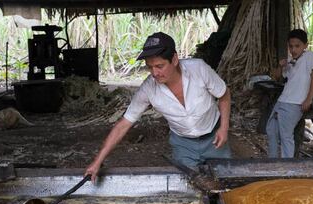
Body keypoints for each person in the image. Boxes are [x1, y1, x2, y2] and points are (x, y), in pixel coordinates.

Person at [85, 32, 231, 182]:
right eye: (150, 67)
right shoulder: (148, 89)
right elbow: (123, 125)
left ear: (174, 59)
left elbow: (224, 95)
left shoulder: (199, 69)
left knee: (224, 182)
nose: (155, 73)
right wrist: (97, 162)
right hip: (183, 144)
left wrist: (224, 128)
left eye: (160, 66)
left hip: (214, 138)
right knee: (189, 187)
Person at [266, 29, 313, 158]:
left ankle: (287, 169)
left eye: (297, 46)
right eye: (291, 46)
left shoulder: (309, 56)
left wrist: (309, 99)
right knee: (271, 130)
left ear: (305, 45)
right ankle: (272, 163)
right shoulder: (291, 61)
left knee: (286, 136)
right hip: (282, 101)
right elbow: (276, 77)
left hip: (294, 103)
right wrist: (281, 65)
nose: (293, 49)